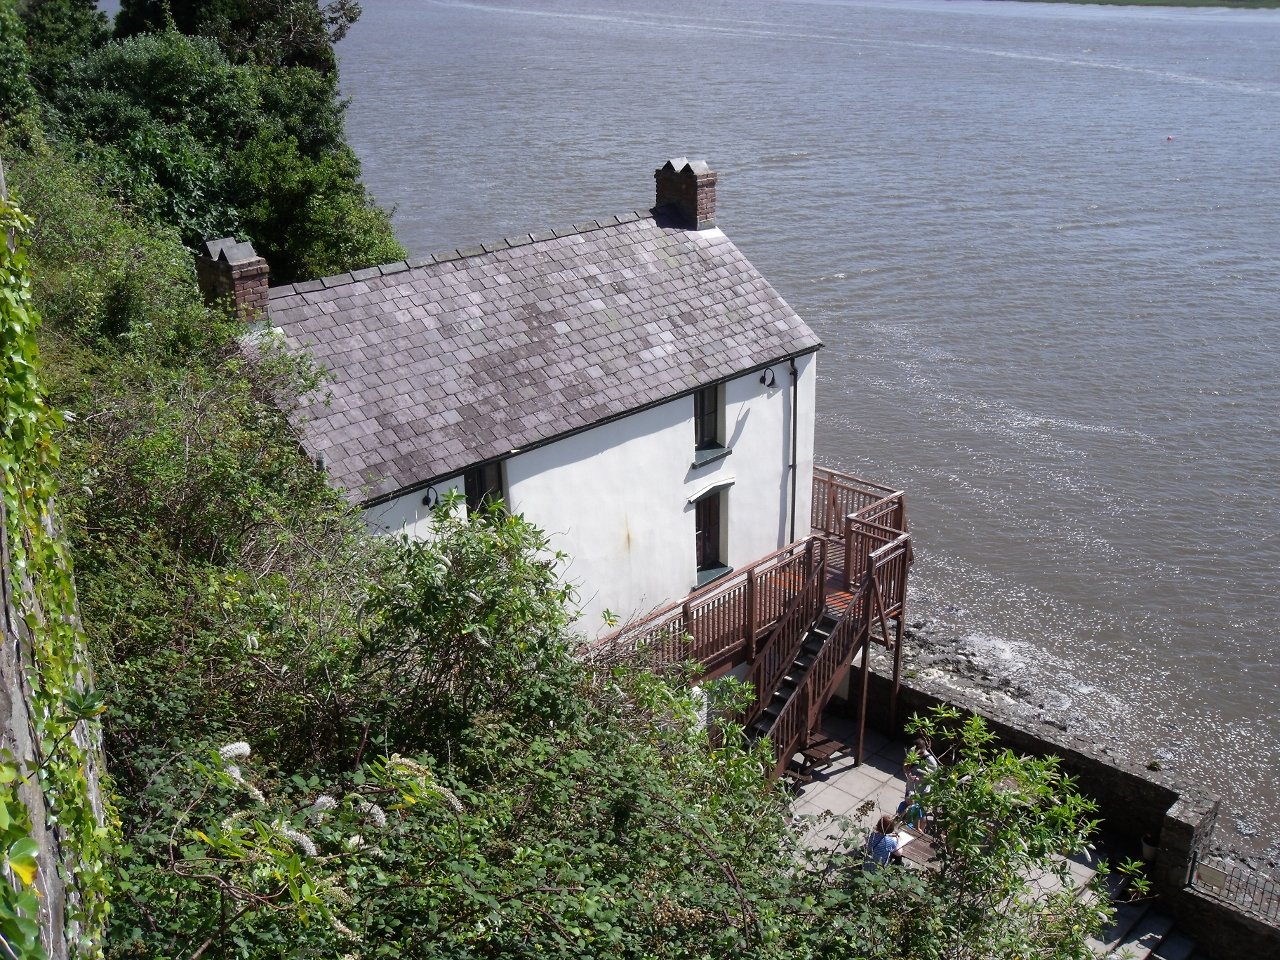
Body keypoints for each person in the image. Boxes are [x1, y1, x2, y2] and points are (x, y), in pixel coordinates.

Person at [903, 735, 938, 799]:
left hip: (922, 792)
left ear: (924, 748)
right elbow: (905, 764)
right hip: (910, 788)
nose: (918, 755)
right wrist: (908, 773)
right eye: (916, 753)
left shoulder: (931, 761)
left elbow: (934, 777)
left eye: (921, 753)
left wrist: (919, 778)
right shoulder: (912, 751)